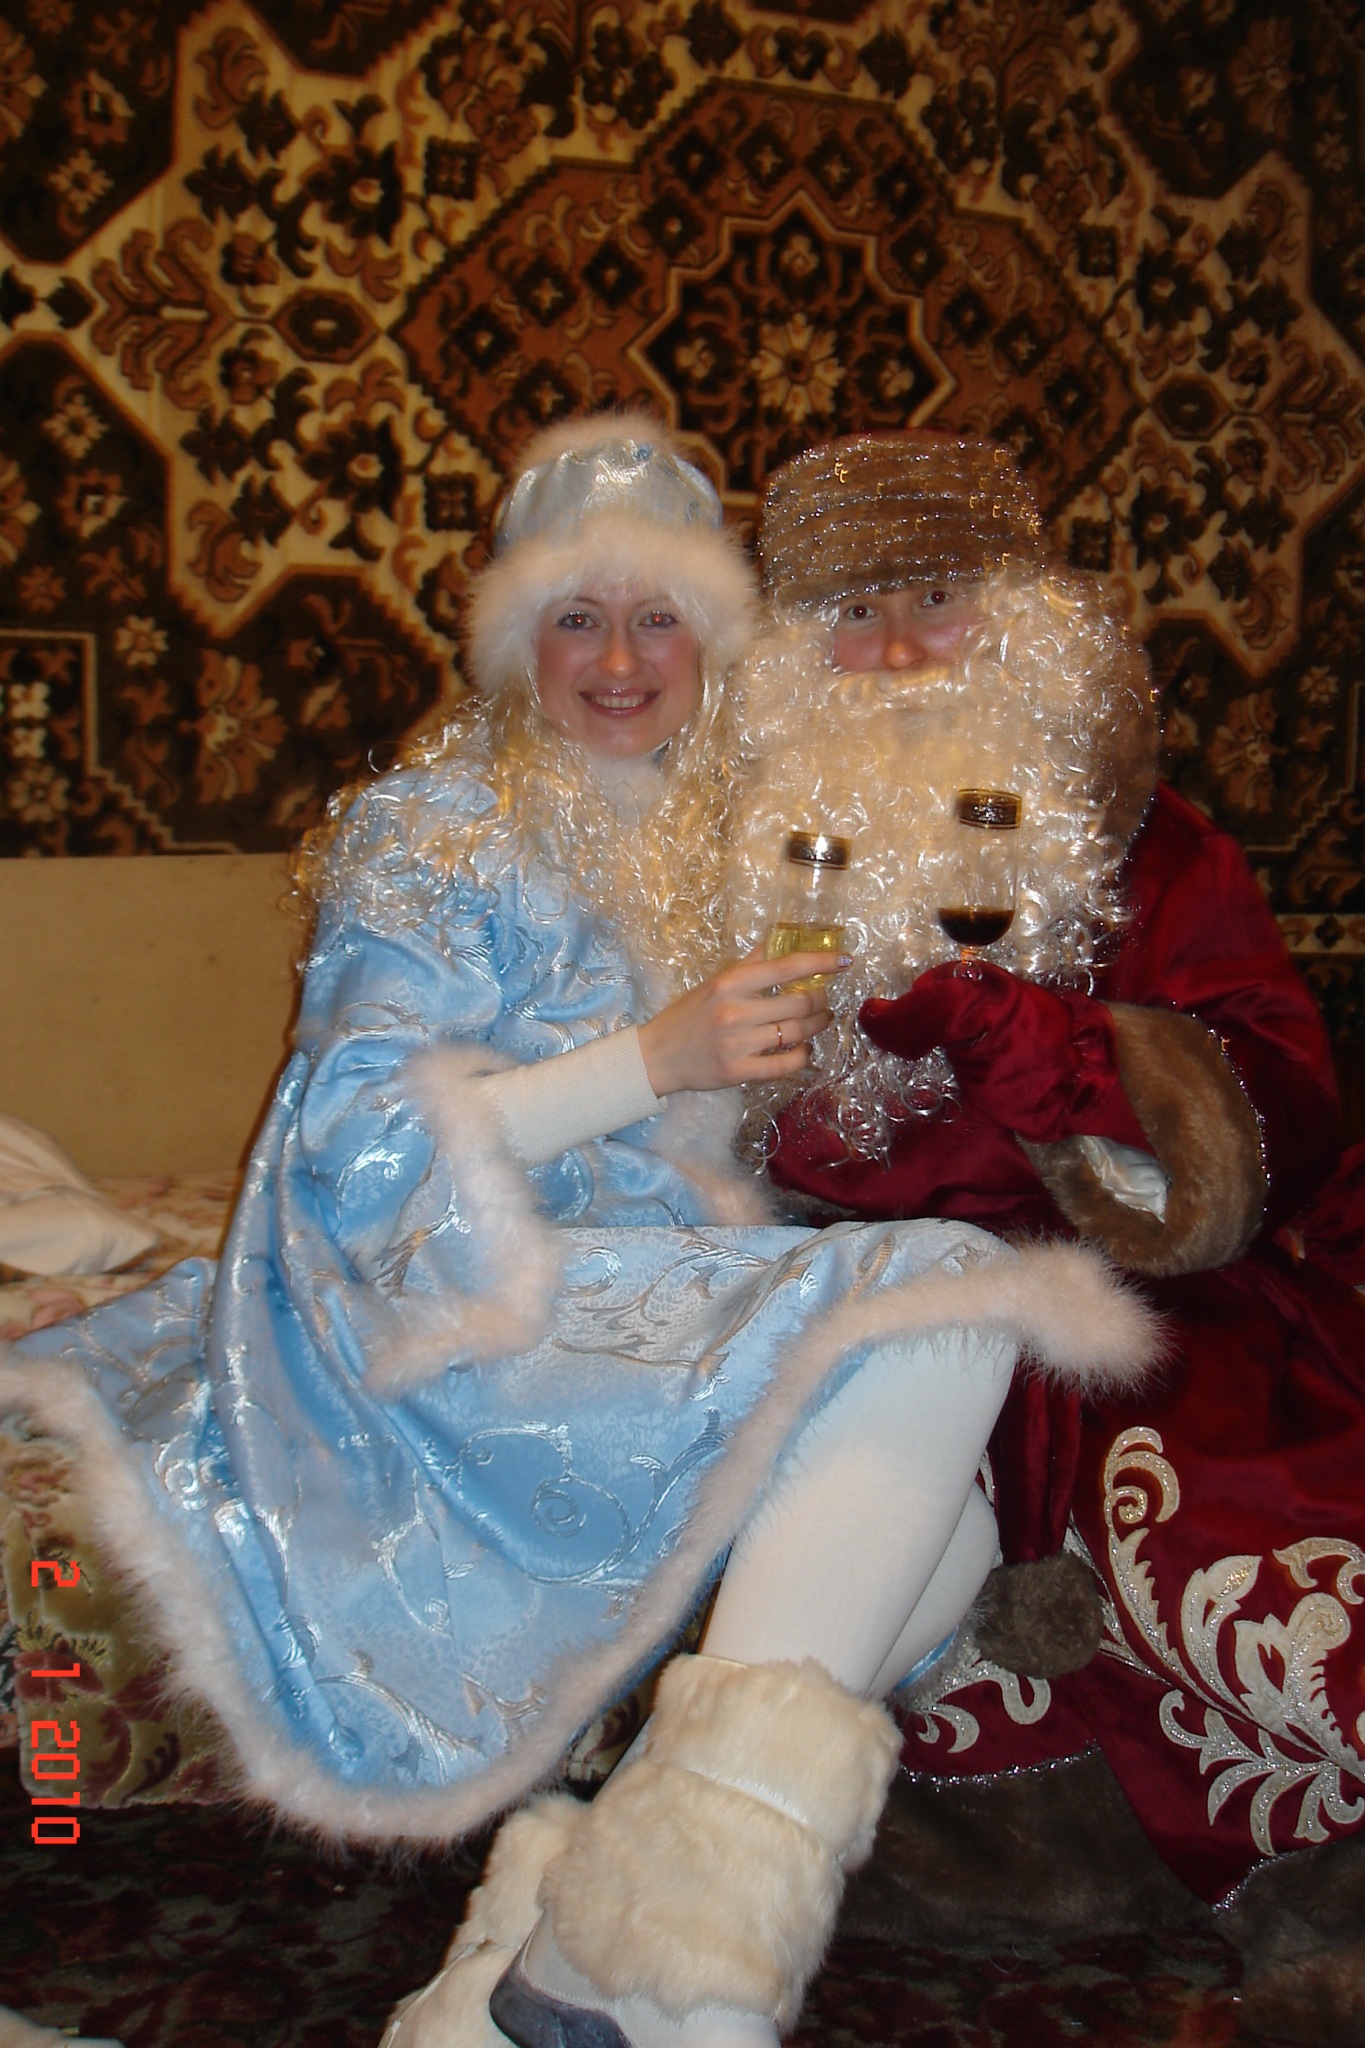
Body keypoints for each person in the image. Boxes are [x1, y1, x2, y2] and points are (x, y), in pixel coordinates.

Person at [0, 416, 1155, 2048]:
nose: (619, 662)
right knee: (954, 1298)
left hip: (660, 1297)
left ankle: (545, 1969)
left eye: (659, 617)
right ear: (515, 637)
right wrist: (647, 1063)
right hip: (454, 1305)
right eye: (576, 618)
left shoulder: (744, 824)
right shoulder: (434, 826)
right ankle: (670, 1967)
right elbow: (351, 1145)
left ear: (714, 639)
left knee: (955, 1523)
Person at [734, 427, 1365, 2035]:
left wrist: (1061, 1055)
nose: (894, 652)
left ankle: (1315, 1884)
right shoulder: (730, 862)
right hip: (850, 1293)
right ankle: (755, 1866)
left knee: (1229, 1496)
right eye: (850, 615)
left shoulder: (1150, 841)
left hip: (1141, 1287)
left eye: (934, 599)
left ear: (1026, 622)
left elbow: (1283, 1092)